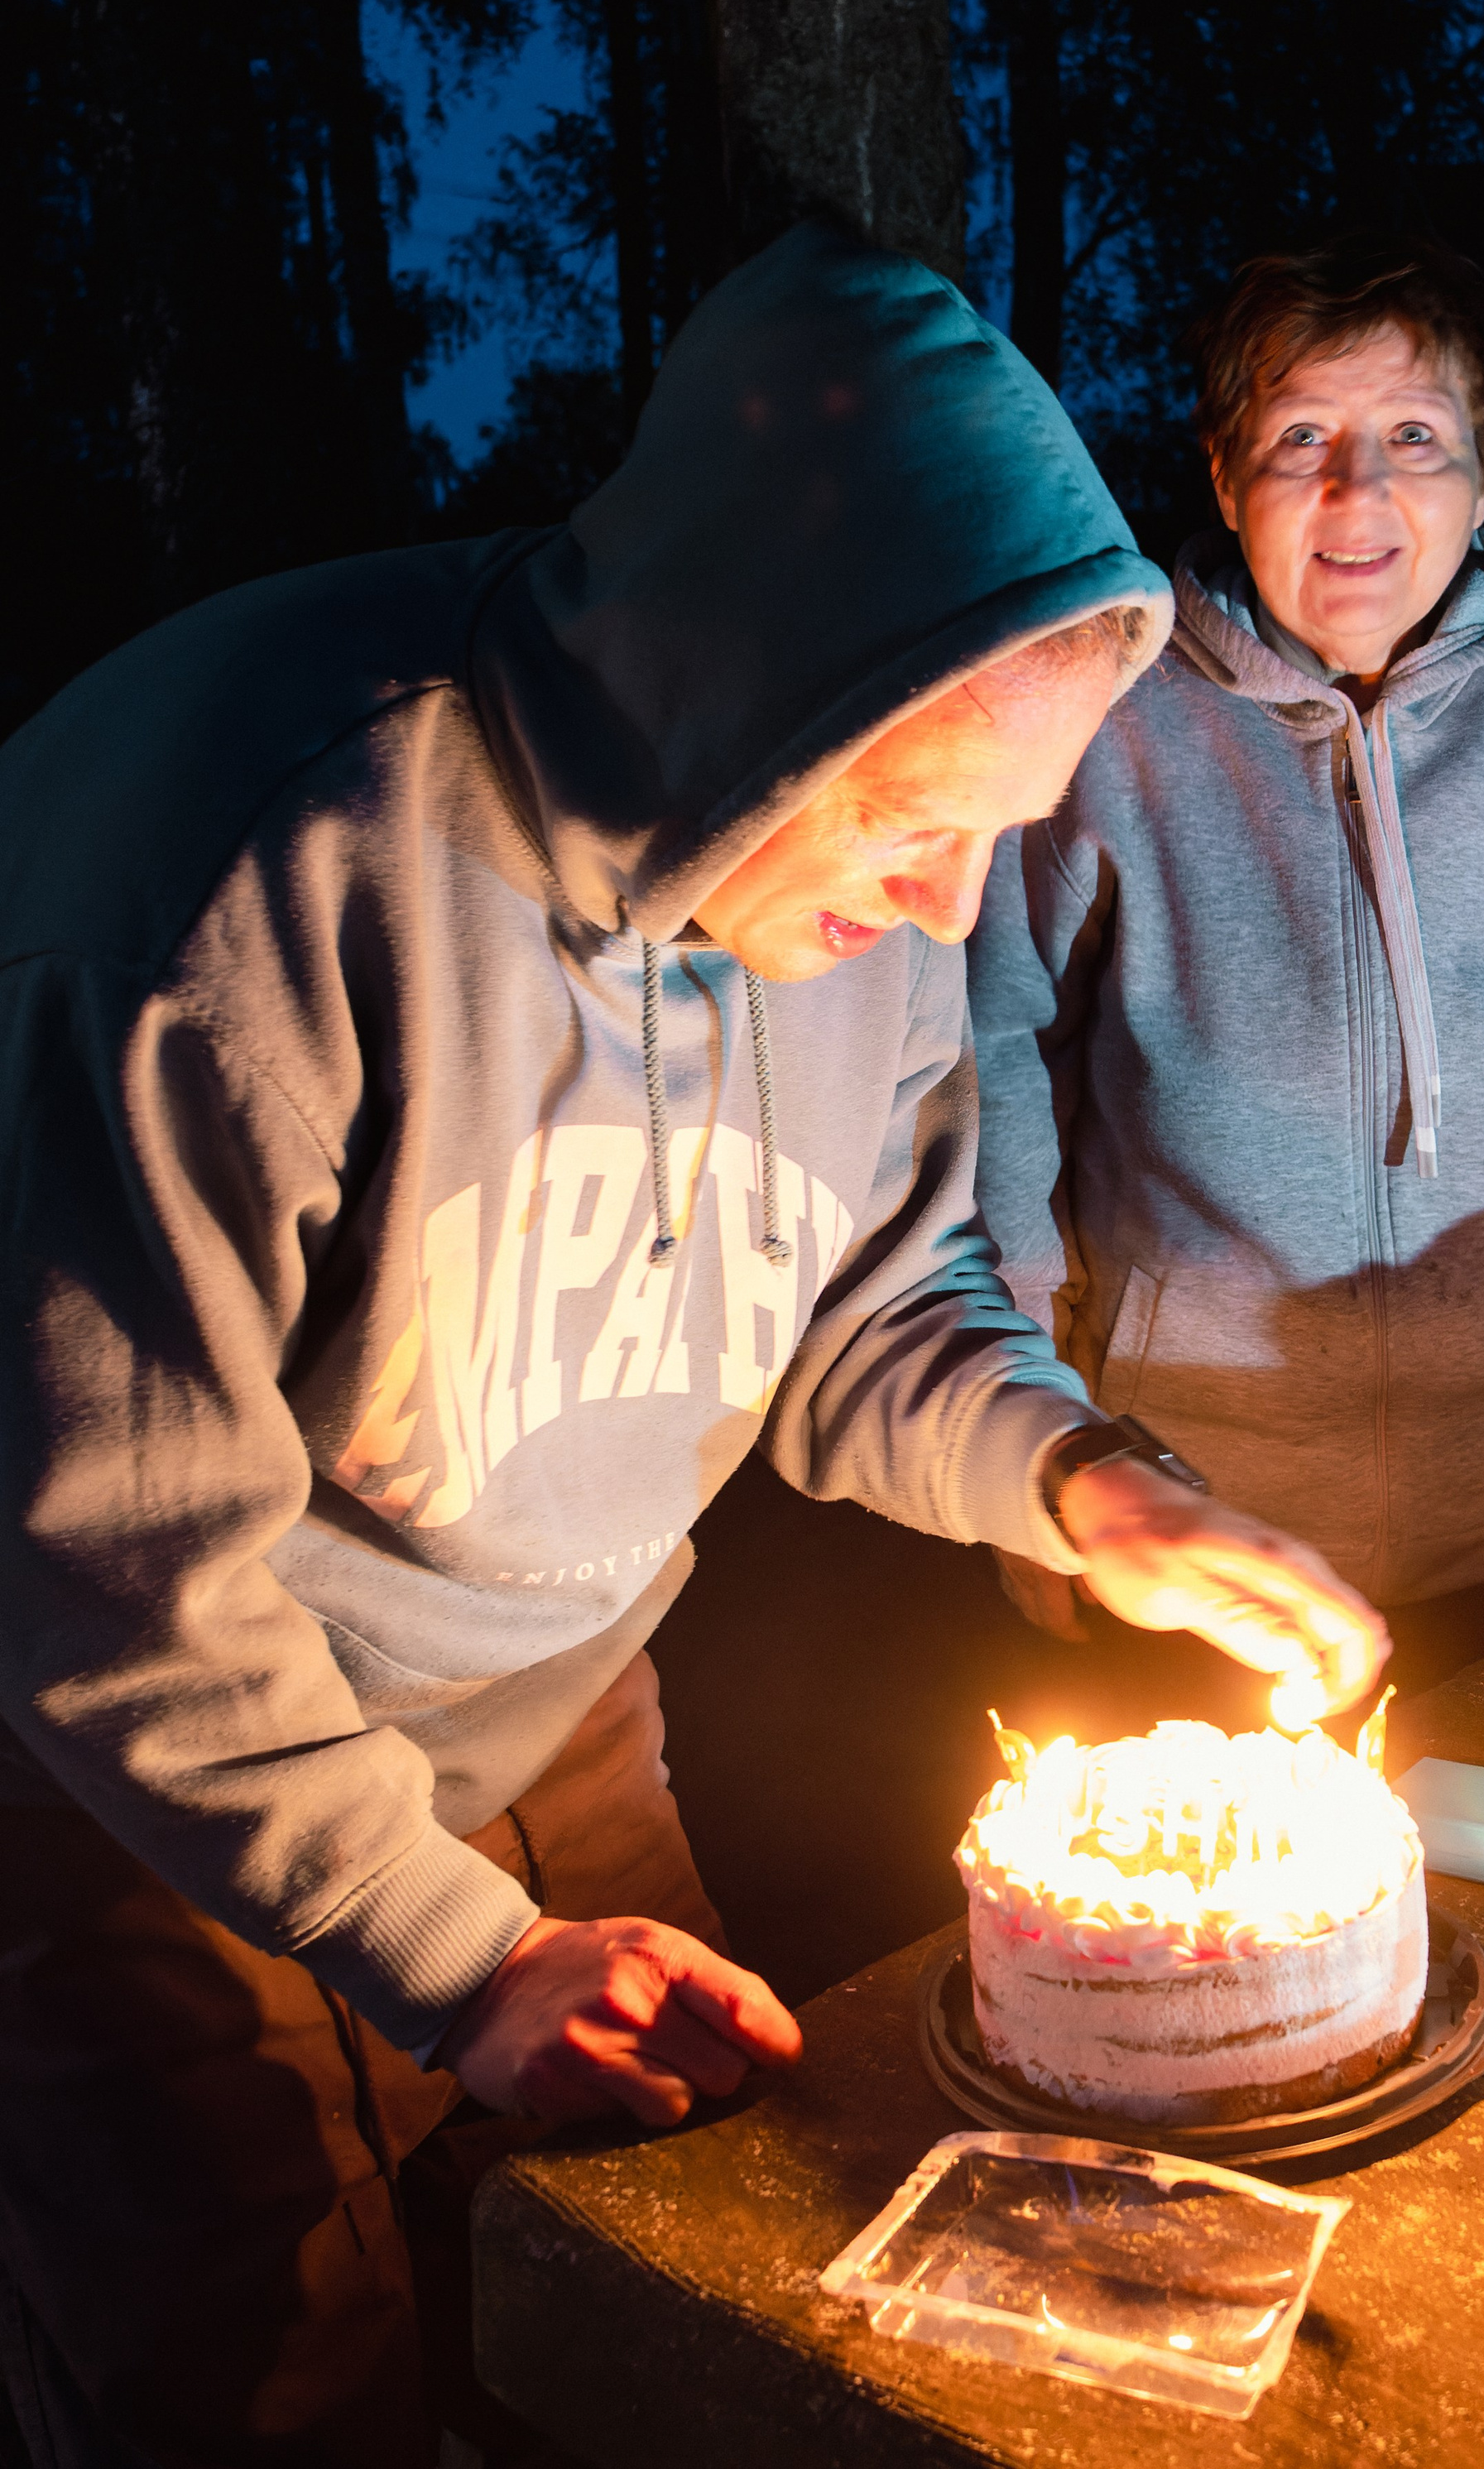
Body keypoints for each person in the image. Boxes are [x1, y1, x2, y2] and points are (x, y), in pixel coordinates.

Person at [0, 223, 1384, 2467]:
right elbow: (94, 1545)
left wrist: (1080, 1480)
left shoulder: (866, 905)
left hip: (558, 1710)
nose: (944, 913)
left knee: (678, 2301)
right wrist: (440, 1950)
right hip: (132, 1784)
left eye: (997, 841)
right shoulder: (244, 870)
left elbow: (863, 1298)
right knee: (271, 2379)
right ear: (754, 693)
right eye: (920, 819)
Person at [966, 230, 1484, 1679]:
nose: (1358, 489)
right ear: (1225, 480)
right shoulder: (1107, 730)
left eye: (1414, 434)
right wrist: (1027, 1438)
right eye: (1303, 436)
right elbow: (990, 1057)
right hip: (1196, 1521)